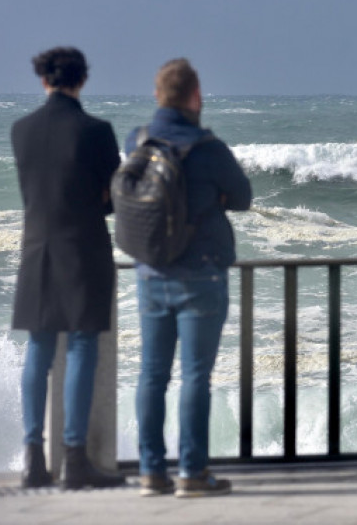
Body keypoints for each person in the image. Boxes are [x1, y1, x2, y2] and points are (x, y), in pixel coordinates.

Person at [126, 58, 252, 498]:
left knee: (152, 375)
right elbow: (243, 197)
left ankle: (150, 471)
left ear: (158, 95)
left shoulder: (138, 140)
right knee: (195, 376)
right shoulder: (209, 148)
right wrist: (212, 194)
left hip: (150, 273)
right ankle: (192, 474)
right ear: (196, 97)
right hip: (201, 275)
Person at [11, 46, 125, 490]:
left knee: (38, 349)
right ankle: (74, 459)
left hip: (37, 248)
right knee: (81, 346)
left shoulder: (22, 130)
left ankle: (33, 459)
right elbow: (113, 197)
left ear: (45, 81)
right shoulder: (95, 131)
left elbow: (33, 192)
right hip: (84, 248)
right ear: (82, 80)